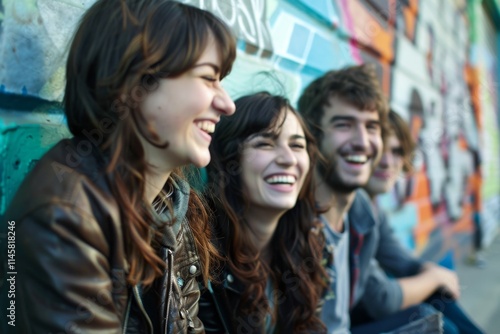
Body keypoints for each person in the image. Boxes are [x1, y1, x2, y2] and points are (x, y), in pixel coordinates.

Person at [0, 0, 236, 332]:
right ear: (135, 81)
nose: (227, 104)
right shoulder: (63, 218)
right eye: (208, 78)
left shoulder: (171, 202)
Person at [297, 64, 442, 334]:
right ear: (313, 136)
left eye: (372, 127)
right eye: (344, 125)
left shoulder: (362, 210)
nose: (362, 141)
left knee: (433, 313)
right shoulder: (294, 222)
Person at [199, 92, 328, 333]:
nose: (289, 159)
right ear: (228, 160)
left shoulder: (310, 246)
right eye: (265, 143)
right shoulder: (199, 260)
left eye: (297, 145)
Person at [354, 110, 484, 334]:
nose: (387, 162)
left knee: (435, 295)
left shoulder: (373, 208)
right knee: (429, 319)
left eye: (396, 151)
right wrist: (435, 277)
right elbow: (381, 298)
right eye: (379, 151)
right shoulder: (351, 206)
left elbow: (404, 263)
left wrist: (431, 273)